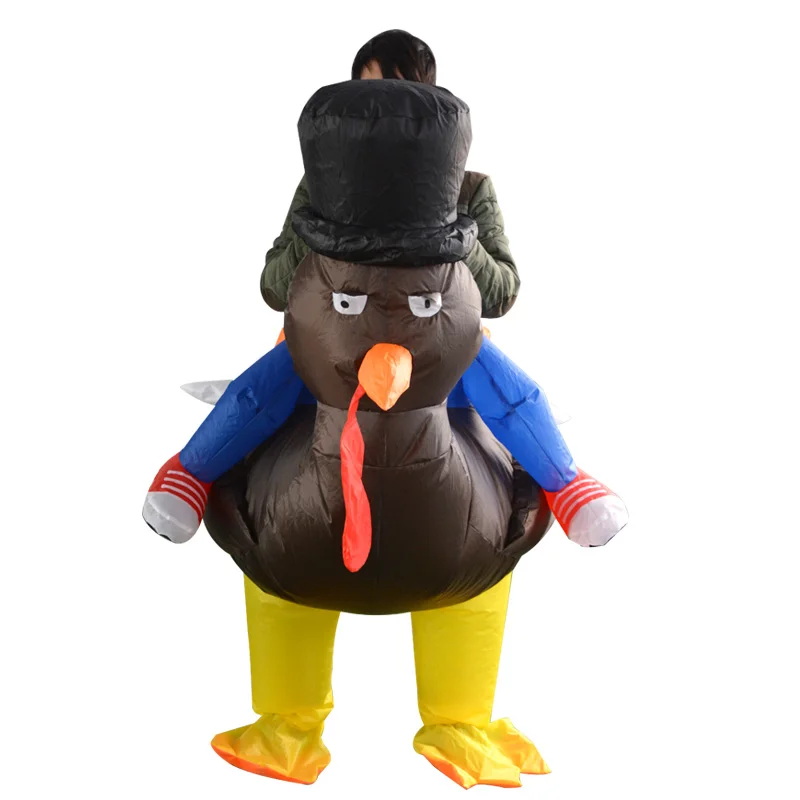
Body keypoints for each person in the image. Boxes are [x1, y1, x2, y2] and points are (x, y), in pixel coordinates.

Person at [142, 30, 628, 549]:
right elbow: (273, 288)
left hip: (436, 350)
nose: (380, 113)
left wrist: (446, 225)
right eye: (366, 97)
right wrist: (324, 219)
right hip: (338, 346)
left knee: (488, 368)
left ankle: (566, 483)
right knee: (284, 368)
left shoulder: (471, 189)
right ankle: (189, 472)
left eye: (396, 95)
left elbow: (501, 295)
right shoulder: (319, 186)